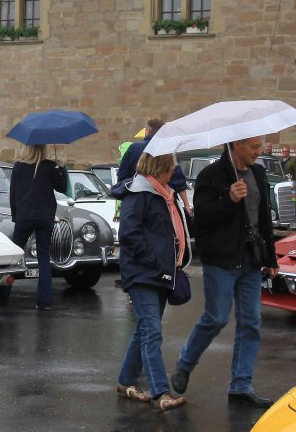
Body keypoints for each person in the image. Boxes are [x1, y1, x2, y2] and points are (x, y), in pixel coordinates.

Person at [171, 136, 276, 407]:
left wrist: (271, 257)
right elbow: (201, 219)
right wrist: (228, 199)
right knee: (216, 318)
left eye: (259, 146)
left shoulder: (258, 173)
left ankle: (241, 385)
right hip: (221, 260)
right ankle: (185, 363)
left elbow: (264, 217)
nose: (258, 152)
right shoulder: (210, 176)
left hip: (252, 260)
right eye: (254, 147)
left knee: (251, 322)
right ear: (236, 144)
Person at [110, 150, 189, 411]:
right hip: (143, 273)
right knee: (152, 331)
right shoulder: (140, 192)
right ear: (160, 167)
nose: (174, 171)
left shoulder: (166, 194)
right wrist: (153, 260)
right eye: (171, 166)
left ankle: (125, 382)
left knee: (144, 329)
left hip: (161, 272)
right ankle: (160, 392)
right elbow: (129, 233)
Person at [9, 143, 68, 310]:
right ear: (43, 149)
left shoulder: (19, 166)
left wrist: (16, 217)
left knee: (12, 257)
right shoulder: (50, 166)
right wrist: (59, 168)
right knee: (44, 258)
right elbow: (62, 187)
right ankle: (44, 301)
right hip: (45, 216)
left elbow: (13, 194)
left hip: (24, 216)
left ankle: (2, 294)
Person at [116, 117, 188, 191]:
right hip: (161, 194)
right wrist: (184, 198)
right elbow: (178, 178)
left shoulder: (133, 148)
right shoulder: (167, 149)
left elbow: (122, 174)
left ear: (148, 131)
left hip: (135, 192)